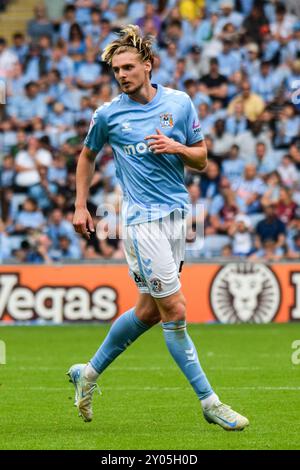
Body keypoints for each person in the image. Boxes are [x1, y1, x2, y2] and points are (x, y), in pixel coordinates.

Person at [67, 25, 249, 431]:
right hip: (139, 223)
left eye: (129, 67)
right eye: (116, 69)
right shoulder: (108, 114)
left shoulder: (180, 104)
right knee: (176, 309)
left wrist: (178, 148)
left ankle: (88, 374)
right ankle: (210, 401)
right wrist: (81, 205)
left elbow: (201, 159)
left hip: (177, 218)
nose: (122, 75)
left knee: (148, 312)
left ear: (148, 66)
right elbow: (86, 156)